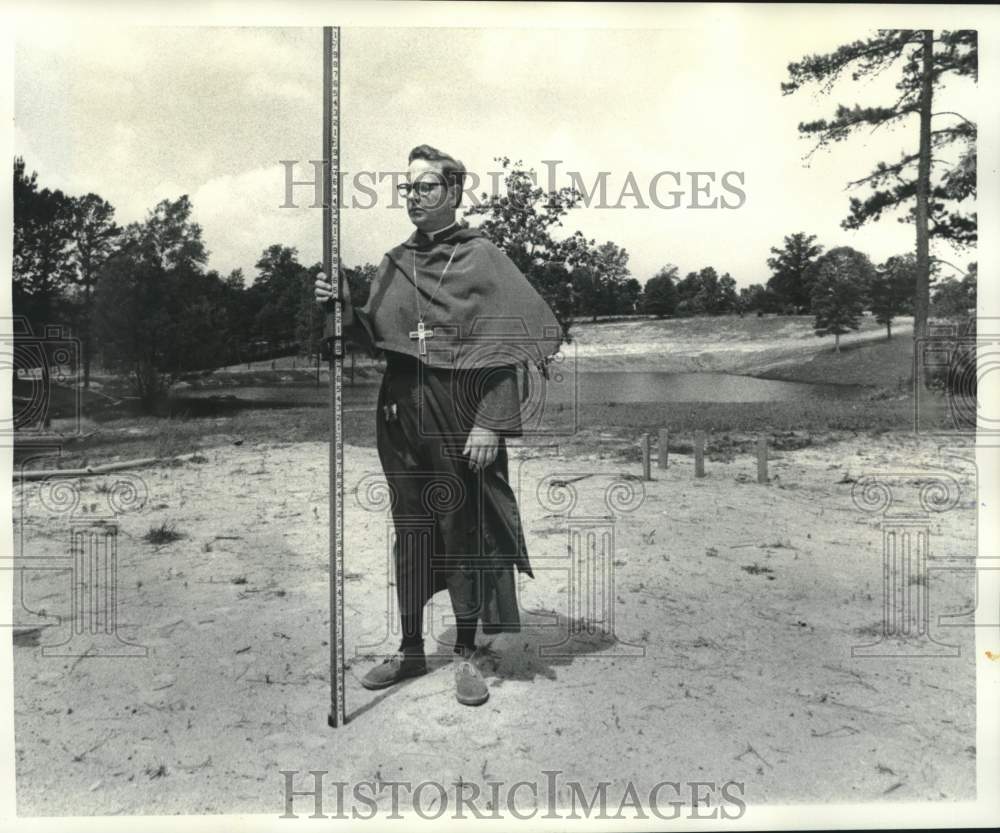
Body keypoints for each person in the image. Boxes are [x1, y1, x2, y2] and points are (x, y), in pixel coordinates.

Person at [314, 144, 562, 707]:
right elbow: (369, 338)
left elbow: (510, 347)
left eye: (425, 187)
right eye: (406, 188)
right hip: (400, 414)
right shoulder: (395, 261)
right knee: (412, 528)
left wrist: (491, 424)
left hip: (461, 412)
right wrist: (339, 309)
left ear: (453, 192)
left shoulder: (482, 258)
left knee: (463, 528)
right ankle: (408, 650)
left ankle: (468, 653)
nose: (413, 197)